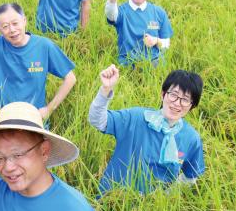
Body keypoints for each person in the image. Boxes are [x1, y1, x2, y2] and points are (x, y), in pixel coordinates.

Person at [88, 64, 205, 194]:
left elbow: (191, 176)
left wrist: (165, 197)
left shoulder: (191, 138)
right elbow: (97, 121)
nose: (177, 103)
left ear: (192, 106)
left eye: (185, 99)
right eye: (173, 95)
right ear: (163, 94)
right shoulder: (136, 118)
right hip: (112, 199)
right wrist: (105, 90)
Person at [0, 4, 76, 122]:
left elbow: (70, 78)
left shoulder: (44, 46)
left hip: (34, 117)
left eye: (15, 23)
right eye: (5, 26)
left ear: (24, 21)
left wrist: (49, 109)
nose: (12, 30)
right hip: (3, 117)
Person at [105, 0, 173, 66]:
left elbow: (166, 43)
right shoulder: (122, 11)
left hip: (154, 62)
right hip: (127, 62)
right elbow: (111, 15)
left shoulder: (158, 12)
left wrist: (156, 40)